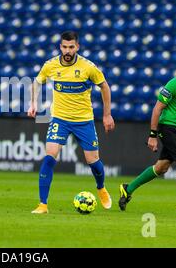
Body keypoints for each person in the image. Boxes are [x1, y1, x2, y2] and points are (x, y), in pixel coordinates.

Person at [28, 31, 115, 214]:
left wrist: (107, 115)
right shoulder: (50, 65)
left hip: (84, 120)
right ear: (60, 46)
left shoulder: (88, 67)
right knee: (50, 155)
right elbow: (36, 82)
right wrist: (33, 102)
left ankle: (101, 188)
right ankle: (43, 204)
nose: (67, 50)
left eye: (71, 47)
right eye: (64, 47)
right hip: (60, 119)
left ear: (77, 47)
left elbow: (104, 86)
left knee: (92, 160)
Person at [119, 52, 176, 214]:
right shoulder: (174, 84)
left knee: (161, 168)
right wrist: (152, 135)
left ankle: (128, 189)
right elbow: (157, 109)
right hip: (168, 127)